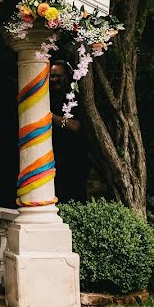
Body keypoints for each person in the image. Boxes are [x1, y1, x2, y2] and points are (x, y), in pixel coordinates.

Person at [49, 60, 89, 201]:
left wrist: (53, 118)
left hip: (74, 155)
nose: (54, 80)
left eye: (58, 76)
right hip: (55, 155)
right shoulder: (49, 97)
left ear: (67, 76)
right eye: (52, 76)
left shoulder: (75, 97)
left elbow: (75, 126)